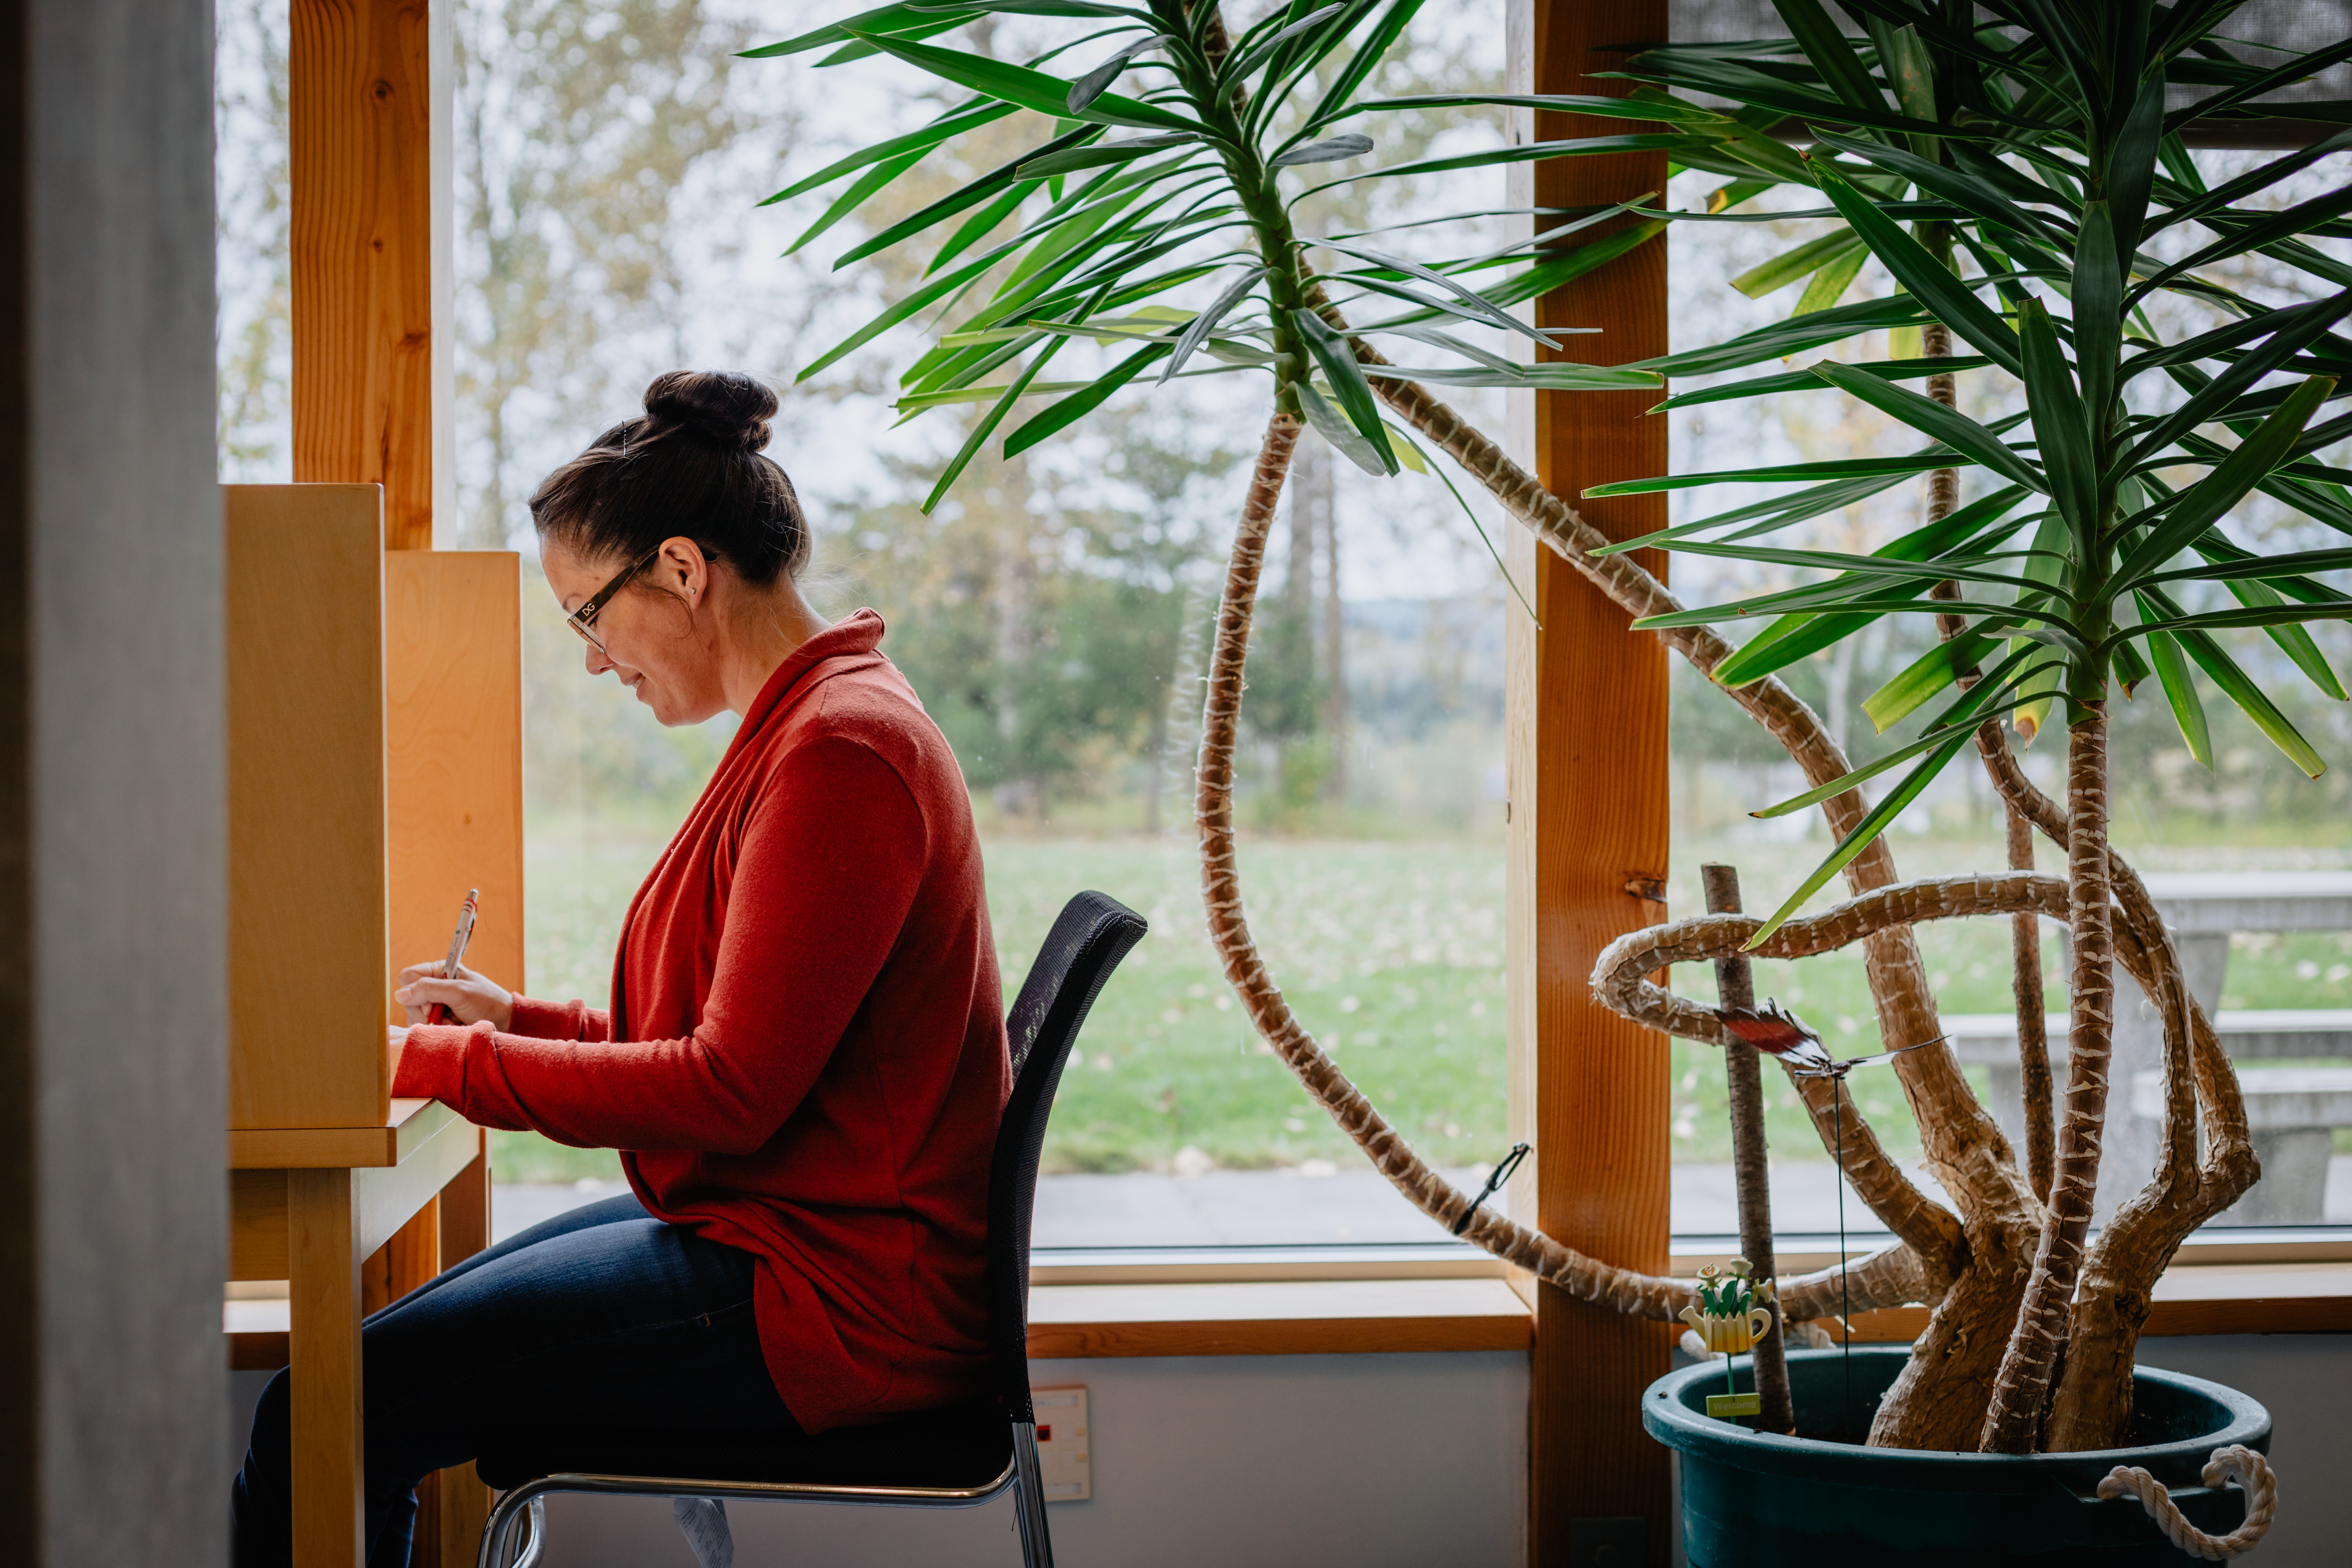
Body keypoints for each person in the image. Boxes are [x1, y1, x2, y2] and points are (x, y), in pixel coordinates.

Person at [231, 371, 1009, 1568]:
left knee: (327, 1413)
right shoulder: (815, 724)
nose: (595, 662)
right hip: (795, 1239)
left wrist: (433, 1060)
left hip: (839, 1300)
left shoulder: (841, 753)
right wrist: (516, 1023)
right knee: (350, 1379)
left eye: (587, 617)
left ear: (683, 570)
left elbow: (727, 1090)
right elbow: (730, 1036)